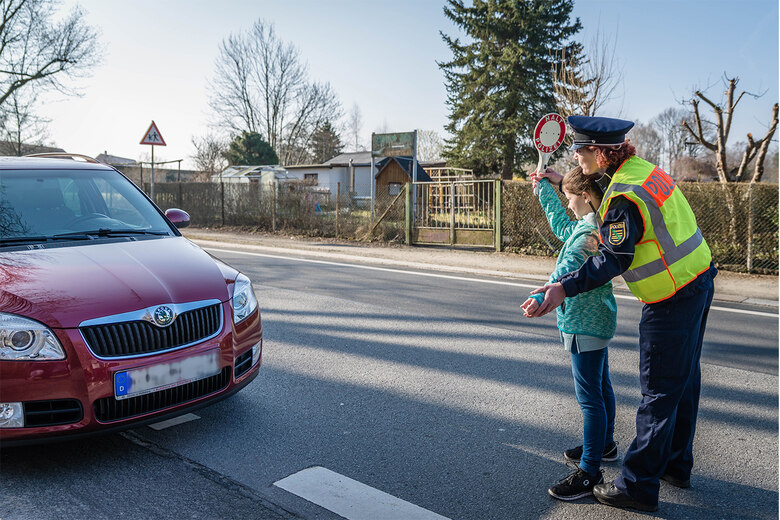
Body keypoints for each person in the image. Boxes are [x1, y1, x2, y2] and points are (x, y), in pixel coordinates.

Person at [525, 115, 717, 512]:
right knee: (683, 381)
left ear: (599, 151)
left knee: (659, 392)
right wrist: (563, 183)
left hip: (672, 296)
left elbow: (611, 259)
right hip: (697, 277)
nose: (575, 155)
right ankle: (676, 464)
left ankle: (637, 485)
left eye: (580, 150)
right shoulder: (638, 171)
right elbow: (594, 199)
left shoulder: (623, 197)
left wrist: (562, 287)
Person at [521, 165, 618, 502]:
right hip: (599, 320)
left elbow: (564, 271)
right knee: (602, 387)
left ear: (587, 196)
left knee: (590, 400)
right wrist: (546, 189)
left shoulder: (588, 237)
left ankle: (590, 470)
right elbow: (564, 225)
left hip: (583, 324)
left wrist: (538, 296)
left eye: (570, 198)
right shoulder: (594, 223)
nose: (569, 204)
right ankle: (604, 444)